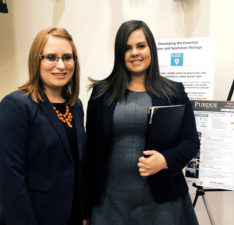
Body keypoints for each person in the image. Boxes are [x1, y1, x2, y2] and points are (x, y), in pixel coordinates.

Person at [86, 20, 200, 225]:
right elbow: (91, 153)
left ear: (151, 49)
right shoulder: (101, 93)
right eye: (127, 48)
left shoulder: (173, 92)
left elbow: (191, 142)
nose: (135, 53)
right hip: (110, 202)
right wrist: (84, 208)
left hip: (161, 203)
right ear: (119, 54)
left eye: (141, 46)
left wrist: (165, 160)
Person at [0, 27, 89, 225]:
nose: (61, 65)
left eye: (67, 57)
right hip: (36, 217)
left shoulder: (75, 106)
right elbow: (10, 179)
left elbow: (78, 165)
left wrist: (84, 212)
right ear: (36, 60)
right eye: (51, 57)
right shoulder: (16, 105)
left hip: (72, 216)